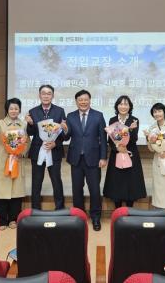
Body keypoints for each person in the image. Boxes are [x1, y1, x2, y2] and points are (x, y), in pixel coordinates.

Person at [64, 89, 107, 231]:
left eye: (85, 99)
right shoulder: (70, 116)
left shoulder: (98, 116)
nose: (83, 102)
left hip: (93, 158)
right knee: (77, 189)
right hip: (76, 159)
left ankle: (96, 217)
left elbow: (103, 138)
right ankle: (79, 217)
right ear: (76, 102)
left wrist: (103, 157)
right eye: (80, 100)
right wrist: (64, 130)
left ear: (90, 100)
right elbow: (66, 137)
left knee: (94, 190)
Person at [0, 98, 30, 229]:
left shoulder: (23, 124)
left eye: (16, 108)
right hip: (3, 161)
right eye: (11, 108)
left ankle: (13, 219)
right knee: (1, 191)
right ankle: (1, 220)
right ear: (7, 110)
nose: (13, 111)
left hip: (17, 160)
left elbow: (27, 141)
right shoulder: (1, 123)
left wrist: (22, 153)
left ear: (19, 110)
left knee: (16, 191)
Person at [25, 84, 66, 210]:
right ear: (39, 95)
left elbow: (63, 133)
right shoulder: (33, 111)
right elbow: (31, 133)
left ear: (53, 96)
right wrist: (30, 124)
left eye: (49, 93)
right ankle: (35, 208)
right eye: (44, 93)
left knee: (56, 180)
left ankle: (60, 208)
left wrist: (55, 143)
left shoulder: (60, 111)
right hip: (38, 150)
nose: (46, 96)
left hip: (54, 151)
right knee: (36, 181)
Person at [103, 95, 147, 209]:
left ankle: (129, 209)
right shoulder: (112, 120)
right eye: (121, 104)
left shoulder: (134, 120)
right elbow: (110, 140)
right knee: (116, 181)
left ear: (129, 106)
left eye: (126, 104)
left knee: (130, 182)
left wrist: (131, 130)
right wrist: (117, 148)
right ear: (117, 106)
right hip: (116, 153)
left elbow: (134, 139)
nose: (123, 106)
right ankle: (117, 210)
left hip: (130, 153)